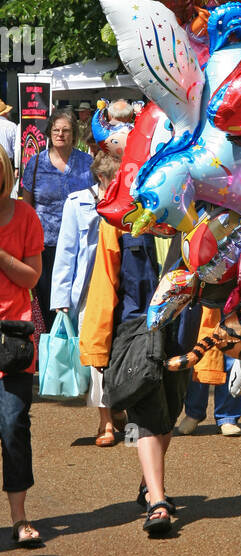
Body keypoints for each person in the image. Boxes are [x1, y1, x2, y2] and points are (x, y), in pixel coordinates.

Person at [79, 220, 222, 536]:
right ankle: (157, 502)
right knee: (145, 410)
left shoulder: (195, 215)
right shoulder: (117, 221)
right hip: (134, 327)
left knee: (169, 412)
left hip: (182, 322)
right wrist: (98, 346)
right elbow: (104, 283)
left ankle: (148, 482)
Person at [50, 149, 121, 445]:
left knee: (121, 351)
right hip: (89, 292)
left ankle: (119, 408)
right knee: (97, 356)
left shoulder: (130, 204)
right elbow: (66, 252)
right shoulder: (77, 203)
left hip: (122, 288)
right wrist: (61, 300)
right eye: (116, 180)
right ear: (102, 178)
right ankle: (105, 422)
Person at [0, 144, 44, 546]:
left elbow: (32, 278)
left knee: (13, 426)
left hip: (12, 338)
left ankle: (19, 518)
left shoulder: (26, 216)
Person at [20, 108, 93, 331]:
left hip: (79, 244)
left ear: (74, 135)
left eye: (66, 130)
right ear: (50, 132)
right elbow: (26, 206)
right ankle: (53, 348)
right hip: (44, 245)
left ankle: (73, 344)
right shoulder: (35, 163)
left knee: (75, 297)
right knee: (45, 300)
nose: (60, 134)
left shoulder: (87, 163)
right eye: (56, 130)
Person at [175, 301, 241, 437]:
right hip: (202, 298)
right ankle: (194, 413)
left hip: (233, 297)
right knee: (198, 356)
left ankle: (227, 417)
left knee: (233, 356)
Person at [0, 100, 18, 180]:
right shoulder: (12, 126)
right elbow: (16, 148)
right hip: (6, 164)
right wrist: (17, 167)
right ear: (5, 113)